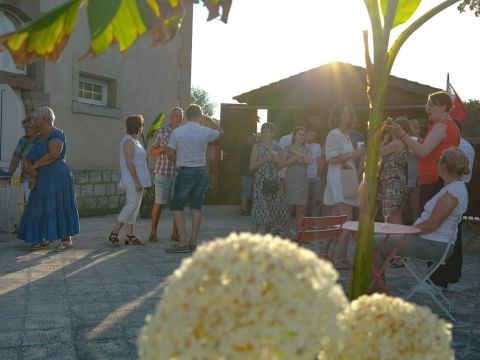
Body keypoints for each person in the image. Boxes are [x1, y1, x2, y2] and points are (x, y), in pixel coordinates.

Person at [371, 148, 469, 291]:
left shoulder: (454, 190)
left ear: (444, 166)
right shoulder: (453, 188)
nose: (436, 164)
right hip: (430, 241)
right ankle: (374, 288)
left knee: (372, 244)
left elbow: (432, 224)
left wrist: (408, 231)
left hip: (433, 244)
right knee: (377, 240)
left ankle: (373, 290)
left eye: (438, 161)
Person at [18, 107, 79, 250]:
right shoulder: (38, 137)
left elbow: (54, 154)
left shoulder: (56, 134)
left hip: (57, 175)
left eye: (36, 118)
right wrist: (28, 165)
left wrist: (36, 164)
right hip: (41, 176)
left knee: (58, 204)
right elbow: (27, 154)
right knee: (39, 206)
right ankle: (43, 238)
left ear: (45, 119)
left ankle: (66, 239)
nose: (33, 121)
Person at [386, 91, 460, 208]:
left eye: (431, 105)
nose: (427, 108)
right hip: (439, 178)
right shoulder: (449, 125)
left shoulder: (442, 125)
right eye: (427, 105)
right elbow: (420, 150)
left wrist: (400, 133)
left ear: (443, 107)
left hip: (435, 180)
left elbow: (422, 151)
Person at [165, 104, 223, 253]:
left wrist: (177, 161)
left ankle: (182, 242)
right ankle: (193, 242)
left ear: (186, 116)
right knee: (196, 207)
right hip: (201, 172)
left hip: (185, 172)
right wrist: (209, 120)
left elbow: (169, 153)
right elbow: (221, 133)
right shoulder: (205, 131)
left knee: (177, 206)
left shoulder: (178, 132)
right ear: (199, 116)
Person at [323, 102, 364, 269]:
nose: (348, 115)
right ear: (338, 116)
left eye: (349, 112)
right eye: (344, 112)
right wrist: (354, 154)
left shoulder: (347, 135)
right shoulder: (335, 134)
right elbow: (331, 159)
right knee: (347, 220)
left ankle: (325, 254)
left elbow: (344, 157)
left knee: (335, 220)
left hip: (345, 178)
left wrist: (358, 156)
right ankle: (341, 258)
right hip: (339, 180)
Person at [109, 115, 151, 246]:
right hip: (133, 179)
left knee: (135, 208)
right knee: (131, 205)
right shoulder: (128, 141)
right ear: (139, 126)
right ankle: (114, 233)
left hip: (139, 179)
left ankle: (130, 235)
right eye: (142, 125)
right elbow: (129, 163)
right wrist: (137, 181)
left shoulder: (135, 141)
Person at [148, 107, 183, 242]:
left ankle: (175, 234)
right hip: (163, 171)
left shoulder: (184, 133)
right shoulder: (161, 131)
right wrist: (164, 148)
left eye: (180, 116)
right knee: (159, 202)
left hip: (179, 173)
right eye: (176, 116)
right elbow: (152, 152)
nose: (178, 118)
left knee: (177, 204)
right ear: (171, 117)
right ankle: (153, 232)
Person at [250, 123, 289, 236]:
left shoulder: (277, 147)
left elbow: (281, 165)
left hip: (274, 182)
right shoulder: (257, 146)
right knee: (258, 214)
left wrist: (276, 159)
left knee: (271, 215)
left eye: (267, 132)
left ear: (273, 133)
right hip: (260, 183)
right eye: (263, 131)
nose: (264, 134)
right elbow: (252, 166)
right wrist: (265, 159)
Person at [378, 116, 415, 225]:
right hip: (396, 181)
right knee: (393, 213)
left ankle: (397, 240)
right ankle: (395, 240)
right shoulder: (401, 143)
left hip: (393, 181)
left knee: (393, 214)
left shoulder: (397, 143)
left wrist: (384, 139)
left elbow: (377, 153)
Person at [281, 126, 312, 234]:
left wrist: (301, 157)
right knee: (288, 207)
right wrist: (292, 160)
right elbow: (281, 164)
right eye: (300, 134)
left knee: (301, 209)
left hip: (303, 180)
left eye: (303, 134)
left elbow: (309, 161)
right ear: (294, 135)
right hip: (291, 179)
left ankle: (299, 234)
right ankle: (286, 233)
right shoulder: (288, 148)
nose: (302, 136)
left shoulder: (307, 149)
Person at [8, 116, 37, 205]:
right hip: (26, 178)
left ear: (36, 127)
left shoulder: (42, 140)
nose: (27, 129)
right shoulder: (23, 141)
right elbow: (15, 159)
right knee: (28, 204)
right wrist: (9, 174)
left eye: (30, 127)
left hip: (40, 178)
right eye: (25, 127)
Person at [306, 128, 325, 216]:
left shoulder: (317, 146)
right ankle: (303, 222)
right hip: (304, 177)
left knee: (316, 201)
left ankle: (315, 222)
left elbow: (320, 161)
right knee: (303, 202)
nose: (313, 137)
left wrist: (318, 175)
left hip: (315, 177)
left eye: (314, 136)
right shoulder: (301, 145)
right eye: (311, 135)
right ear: (306, 134)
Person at [239, 134, 256, 215]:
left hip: (247, 173)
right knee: (247, 192)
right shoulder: (248, 149)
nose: (252, 140)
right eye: (250, 139)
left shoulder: (245, 148)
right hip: (248, 174)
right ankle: (244, 209)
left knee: (246, 191)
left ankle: (244, 209)